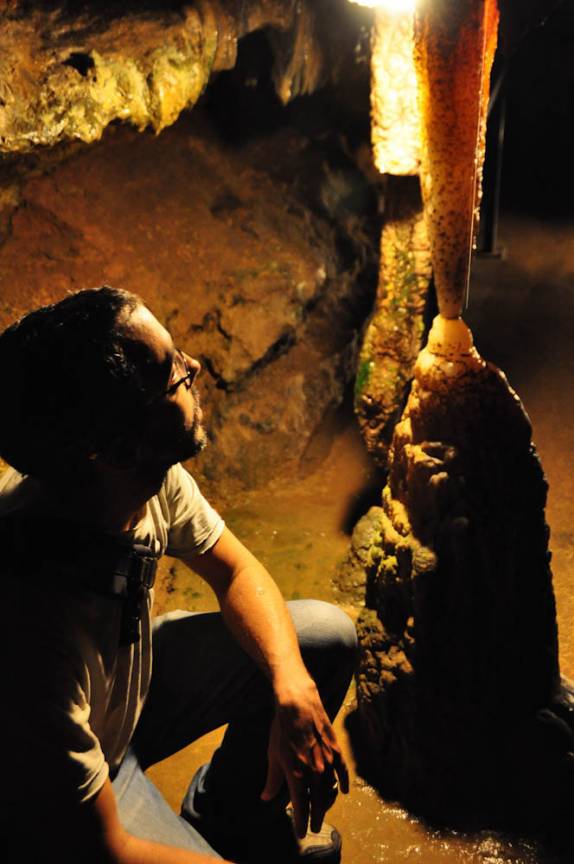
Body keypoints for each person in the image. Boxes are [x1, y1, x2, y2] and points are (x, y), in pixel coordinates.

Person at [0, 286, 357, 864]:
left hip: (126, 696)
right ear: (114, 448)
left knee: (318, 639)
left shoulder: (136, 477)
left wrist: (292, 686)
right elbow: (104, 848)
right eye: (171, 373)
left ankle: (229, 817)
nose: (193, 366)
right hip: (69, 807)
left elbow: (236, 568)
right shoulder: (32, 632)